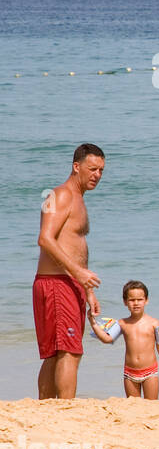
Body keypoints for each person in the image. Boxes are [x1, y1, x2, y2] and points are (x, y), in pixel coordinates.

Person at [34, 143, 106, 399]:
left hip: (69, 282)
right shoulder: (60, 195)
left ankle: (48, 408)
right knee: (68, 350)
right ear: (77, 166)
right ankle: (65, 409)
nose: (97, 175)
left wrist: (87, 291)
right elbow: (45, 239)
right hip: (57, 282)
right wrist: (78, 272)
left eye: (101, 170)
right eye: (92, 169)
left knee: (59, 350)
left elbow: (72, 246)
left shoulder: (77, 199)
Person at [89, 281, 159, 399]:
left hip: (150, 372)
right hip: (130, 373)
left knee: (151, 405)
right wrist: (93, 323)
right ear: (125, 302)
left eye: (140, 299)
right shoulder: (122, 323)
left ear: (146, 300)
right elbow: (107, 339)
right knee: (133, 407)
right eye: (132, 300)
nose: (136, 303)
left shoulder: (154, 323)